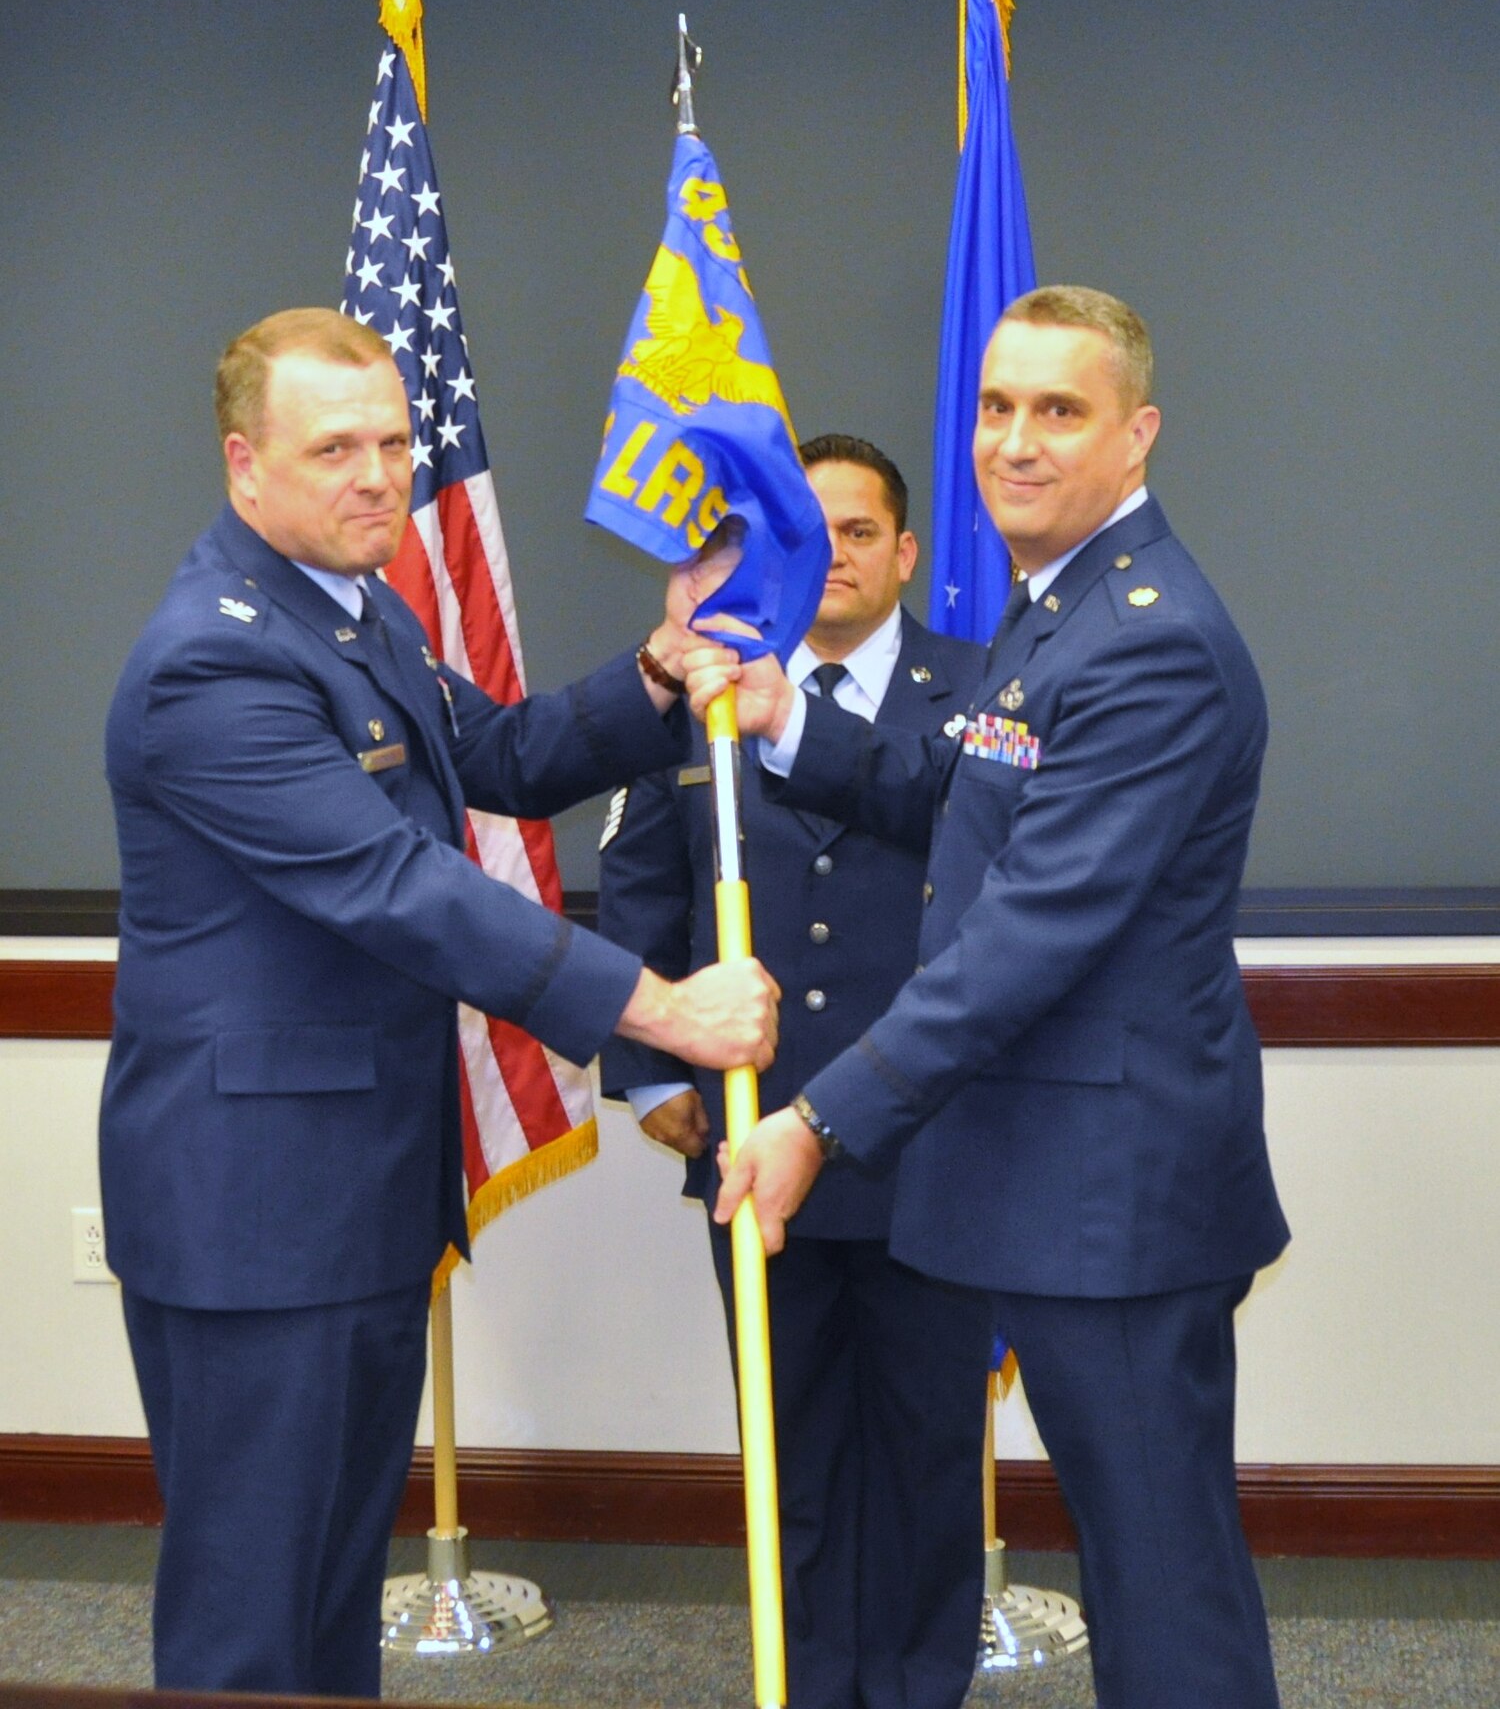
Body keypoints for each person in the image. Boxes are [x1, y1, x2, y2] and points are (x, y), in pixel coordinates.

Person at [100, 307, 778, 1700]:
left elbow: (506, 755)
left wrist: (654, 671)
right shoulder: (211, 663)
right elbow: (403, 890)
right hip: (253, 1213)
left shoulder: (364, 608)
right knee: (251, 1615)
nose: (378, 475)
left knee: (332, 1587)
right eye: (334, 447)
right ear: (245, 464)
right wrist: (662, 1011)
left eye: (396, 442)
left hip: (347, 1193)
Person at [696, 288, 1290, 1709]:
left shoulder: (1145, 637)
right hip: (1058, 1175)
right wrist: (796, 724)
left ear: (1137, 434)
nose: (1014, 443)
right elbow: (963, 795)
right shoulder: (1058, 611)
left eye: (1060, 411)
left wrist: (818, 1122)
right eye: (997, 407)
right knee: (1143, 1566)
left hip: (1115, 1198)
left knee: (1161, 1584)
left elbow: (1030, 932)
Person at [599, 436, 994, 1709]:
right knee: (792, 1444)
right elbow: (641, 879)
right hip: (748, 1138)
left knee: (933, 1446)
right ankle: (809, 1677)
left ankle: (920, 1682)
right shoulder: (709, 688)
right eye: (810, 535)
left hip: (928, 1139)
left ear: (906, 552)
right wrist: (644, 1065)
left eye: (861, 532)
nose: (836, 557)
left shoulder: (983, 691)